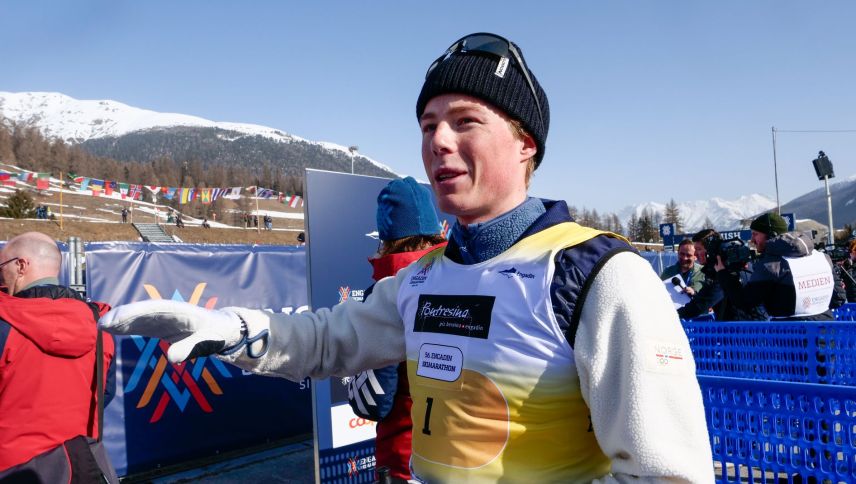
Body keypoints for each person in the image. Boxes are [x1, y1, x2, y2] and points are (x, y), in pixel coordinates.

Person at [100, 32, 713, 482]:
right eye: (427, 124)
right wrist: (232, 328)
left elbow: (668, 474)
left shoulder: (600, 275)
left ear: (526, 144)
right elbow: (325, 340)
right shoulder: (421, 280)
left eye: (465, 121)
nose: (438, 140)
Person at [347, 176, 447, 483]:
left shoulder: (384, 291)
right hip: (460, 460)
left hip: (403, 462)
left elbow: (374, 401)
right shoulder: (462, 278)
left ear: (385, 235)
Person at [0, 232, 116, 471]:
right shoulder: (101, 326)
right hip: (79, 465)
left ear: (21, 266)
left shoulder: (5, 324)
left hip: (13, 469)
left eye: (2, 267)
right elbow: (105, 392)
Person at [717, 212, 845, 320]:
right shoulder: (822, 257)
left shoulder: (770, 266)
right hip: (828, 335)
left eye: (755, 234)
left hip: (790, 340)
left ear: (771, 235)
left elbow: (744, 302)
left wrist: (723, 274)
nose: (751, 240)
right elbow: (839, 298)